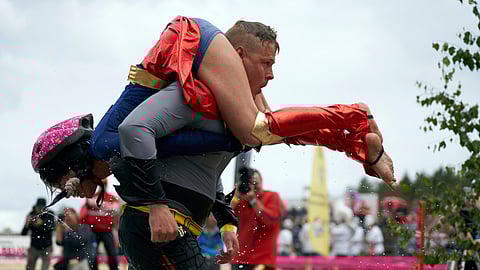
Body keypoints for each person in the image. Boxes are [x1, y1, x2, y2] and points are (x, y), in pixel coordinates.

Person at [31, 16, 395, 268]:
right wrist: (226, 219)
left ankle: (355, 117)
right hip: (194, 45)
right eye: (265, 64)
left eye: (67, 184)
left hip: (193, 41)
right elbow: (180, 149)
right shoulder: (130, 144)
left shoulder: (108, 145)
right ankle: (358, 141)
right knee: (262, 134)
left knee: (256, 132)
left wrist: (157, 203)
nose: (271, 75)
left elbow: (135, 132)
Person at [230, 168, 283, 269]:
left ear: (261, 182)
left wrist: (253, 200)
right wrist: (235, 196)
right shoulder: (241, 200)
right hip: (240, 258)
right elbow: (223, 217)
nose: (253, 187)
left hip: (263, 259)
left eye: (255, 183)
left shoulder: (272, 196)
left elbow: (270, 220)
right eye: (250, 184)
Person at [79, 179, 120, 270]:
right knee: (92, 254)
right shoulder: (91, 196)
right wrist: (106, 207)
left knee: (112, 254)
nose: (102, 185)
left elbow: (116, 208)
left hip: (107, 231)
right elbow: (87, 207)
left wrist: (98, 205)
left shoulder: (110, 197)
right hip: (93, 231)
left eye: (104, 184)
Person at [21, 198, 55, 270]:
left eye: (42, 208)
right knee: (29, 267)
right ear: (35, 207)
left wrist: (42, 223)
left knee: (45, 267)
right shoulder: (31, 215)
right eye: (38, 207)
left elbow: (52, 229)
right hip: (34, 246)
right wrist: (26, 224)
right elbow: (23, 233)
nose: (40, 209)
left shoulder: (49, 215)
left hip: (47, 246)